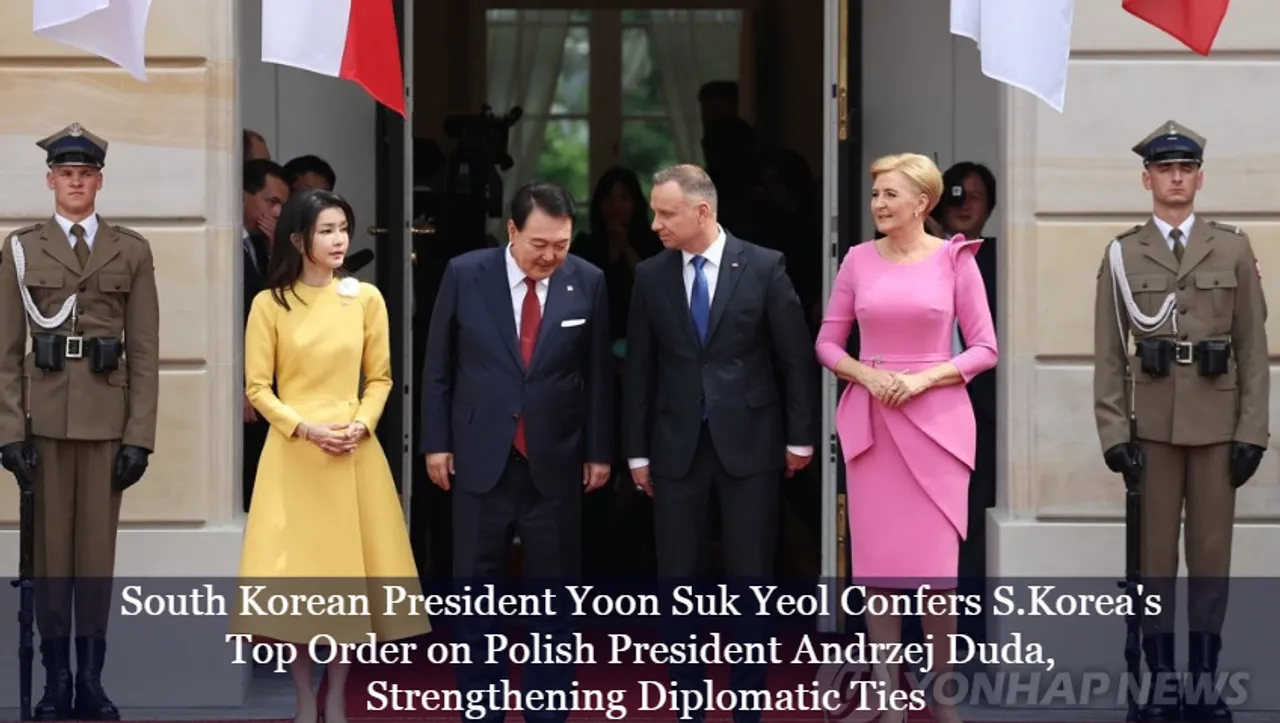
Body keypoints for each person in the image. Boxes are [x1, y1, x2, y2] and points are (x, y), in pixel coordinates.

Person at [624, 164, 816, 723]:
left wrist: (802, 436)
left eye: (665, 213)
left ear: (701, 212)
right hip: (675, 443)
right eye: (655, 212)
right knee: (677, 579)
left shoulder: (763, 265)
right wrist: (636, 450)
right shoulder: (652, 276)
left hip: (751, 441)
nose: (655, 223)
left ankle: (748, 706)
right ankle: (689, 703)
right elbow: (639, 366)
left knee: (750, 575)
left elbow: (794, 358)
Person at [231, 188, 430, 723]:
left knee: (348, 576)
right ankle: (302, 700)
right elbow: (257, 388)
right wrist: (306, 428)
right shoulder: (269, 304)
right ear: (299, 239)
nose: (339, 239)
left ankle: (337, 696)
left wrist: (361, 424)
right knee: (300, 580)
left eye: (344, 227)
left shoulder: (365, 299)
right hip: (295, 451)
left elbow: (382, 377)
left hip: (352, 448)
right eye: (326, 230)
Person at [1093, 121, 1267, 723]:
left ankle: (1202, 682)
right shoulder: (1122, 253)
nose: (1175, 177)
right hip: (1155, 431)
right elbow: (1110, 353)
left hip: (1218, 428)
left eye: (1185, 169)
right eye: (1164, 169)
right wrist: (1116, 436)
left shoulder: (1233, 247)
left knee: (1211, 559)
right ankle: (1162, 679)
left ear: (1199, 177)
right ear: (1147, 179)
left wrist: (1252, 433)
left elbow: (1252, 350)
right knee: (1154, 560)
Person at [420, 181, 613, 723]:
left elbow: (597, 374)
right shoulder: (465, 273)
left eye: (561, 244)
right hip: (479, 455)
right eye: (539, 244)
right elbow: (438, 368)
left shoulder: (588, 281)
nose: (550, 256)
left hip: (556, 458)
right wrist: (436, 442)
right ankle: (481, 707)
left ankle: (548, 709)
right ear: (511, 231)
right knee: (475, 592)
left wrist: (599, 452)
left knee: (554, 596)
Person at [814, 153, 996, 723]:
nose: (878, 205)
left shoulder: (956, 260)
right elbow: (827, 342)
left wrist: (921, 378)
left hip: (938, 425)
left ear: (922, 202)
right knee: (880, 574)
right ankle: (891, 696)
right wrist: (866, 374)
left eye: (890, 195)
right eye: (875, 196)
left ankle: (942, 698)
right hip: (873, 427)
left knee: (938, 579)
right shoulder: (857, 262)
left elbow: (984, 349)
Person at [0, 122, 159, 721]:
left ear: (99, 181)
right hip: (43, 422)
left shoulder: (131, 249)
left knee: (95, 558)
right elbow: (5, 350)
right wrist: (9, 431)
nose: (75, 182)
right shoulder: (21, 249)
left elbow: (144, 350)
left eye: (85, 173)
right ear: (50, 181)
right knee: (48, 560)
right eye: (66, 174)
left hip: (104, 424)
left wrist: (139, 436)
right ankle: (55, 681)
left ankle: (90, 679)